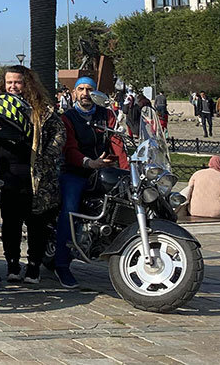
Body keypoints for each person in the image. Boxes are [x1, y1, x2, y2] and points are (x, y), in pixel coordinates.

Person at [0, 66, 65, 285]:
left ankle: (34, 267)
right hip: (6, 173)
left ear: (27, 83)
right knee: (10, 222)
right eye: (9, 82)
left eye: (18, 82)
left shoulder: (42, 110)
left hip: (35, 176)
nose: (13, 86)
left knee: (36, 223)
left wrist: (46, 156)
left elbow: (59, 134)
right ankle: (12, 265)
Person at [55, 77, 129, 289]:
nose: (86, 93)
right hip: (76, 171)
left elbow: (117, 143)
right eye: (81, 89)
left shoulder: (106, 116)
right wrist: (89, 162)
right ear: (74, 93)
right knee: (69, 209)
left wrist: (127, 169)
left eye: (90, 89)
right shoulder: (68, 117)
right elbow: (69, 148)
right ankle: (62, 265)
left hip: (105, 170)